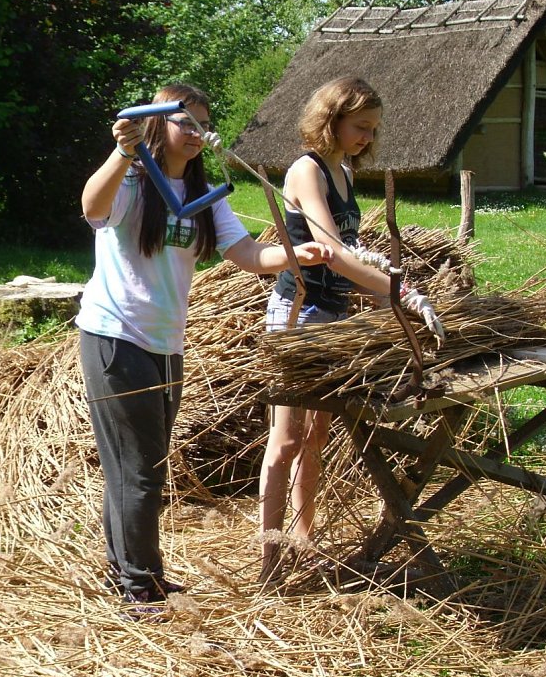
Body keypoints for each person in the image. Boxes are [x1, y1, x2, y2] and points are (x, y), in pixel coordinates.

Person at [76, 83, 334, 611]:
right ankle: (139, 584)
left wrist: (294, 255)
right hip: (114, 336)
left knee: (136, 464)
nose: (195, 133)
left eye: (201, 124)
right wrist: (121, 152)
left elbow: (247, 254)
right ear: (156, 123)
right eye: (184, 122)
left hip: (166, 343)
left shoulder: (201, 198)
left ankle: (127, 571)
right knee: (141, 469)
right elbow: (91, 205)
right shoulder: (134, 181)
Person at [258, 76, 445, 583]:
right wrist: (399, 293)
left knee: (316, 434)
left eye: (373, 129)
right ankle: (269, 561)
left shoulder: (342, 171)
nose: (367, 137)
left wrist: (390, 291)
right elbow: (334, 254)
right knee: (287, 438)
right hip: (299, 316)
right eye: (360, 126)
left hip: (335, 315)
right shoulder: (307, 171)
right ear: (332, 119)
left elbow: (352, 254)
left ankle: (303, 538)